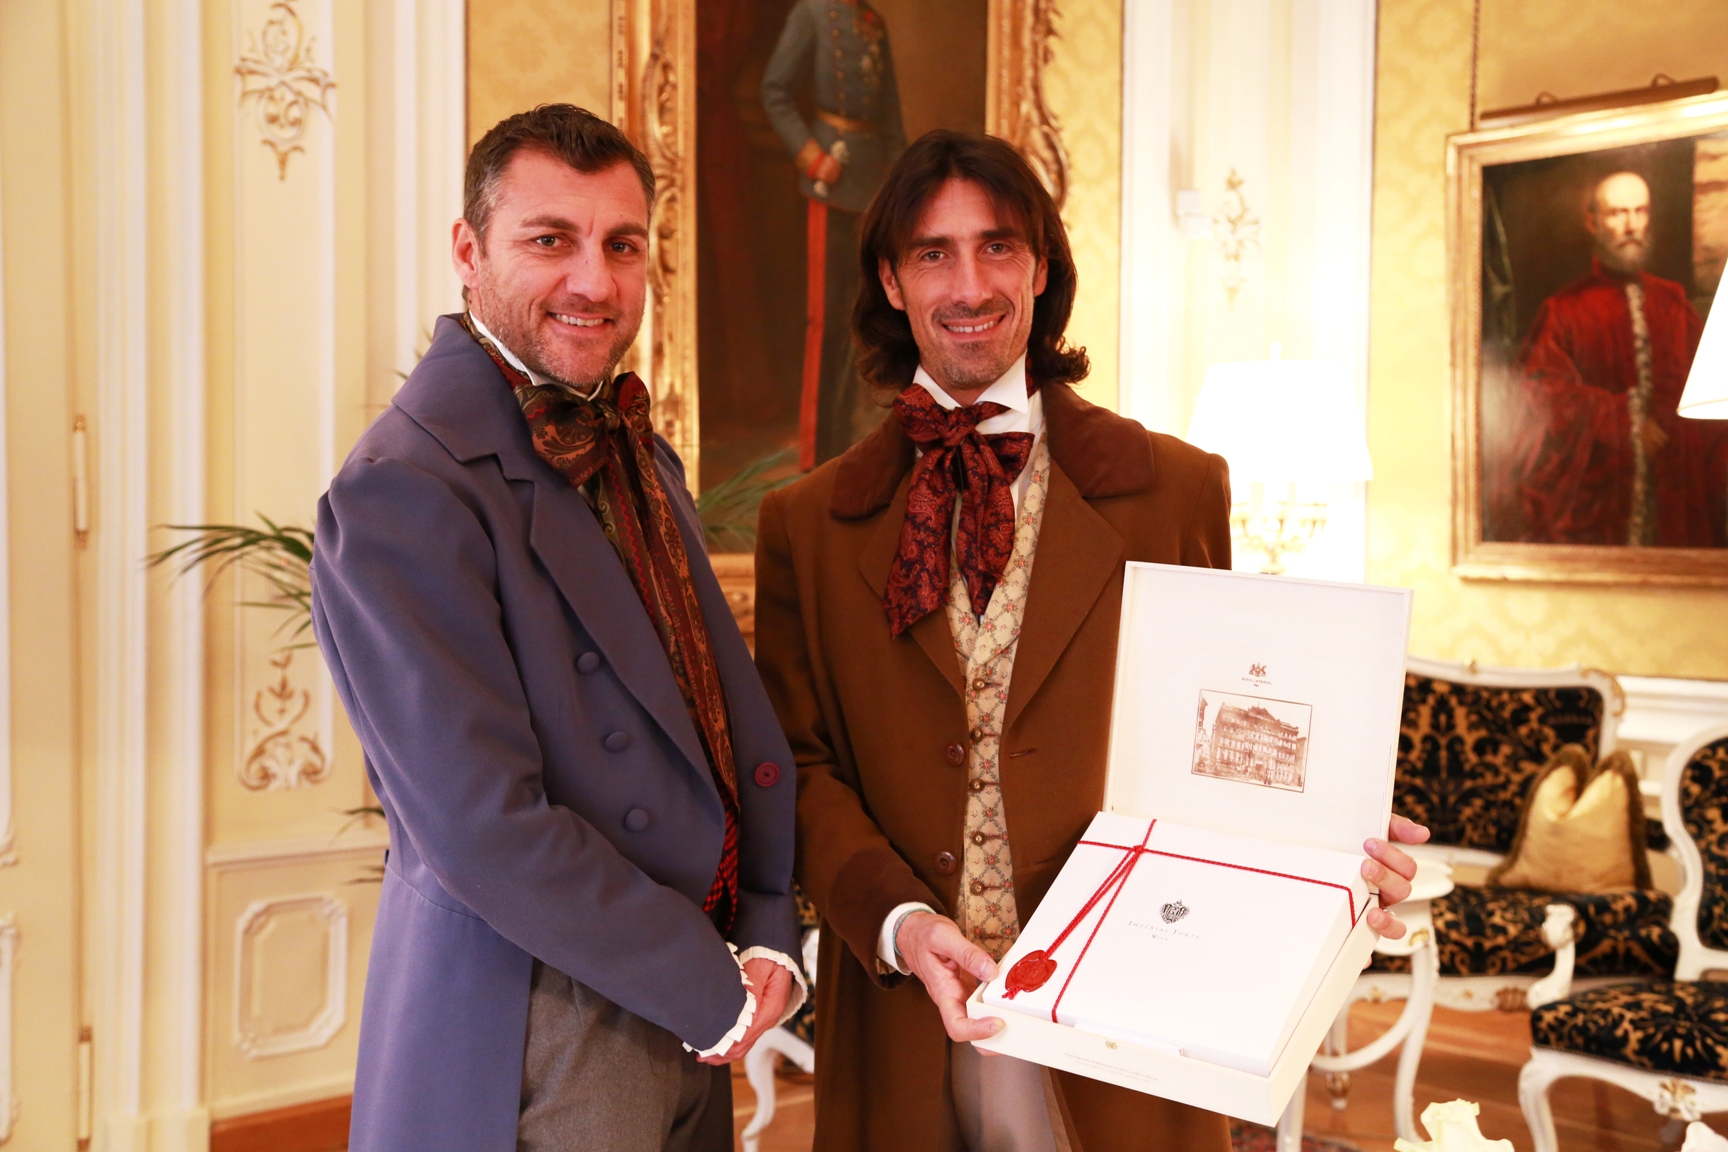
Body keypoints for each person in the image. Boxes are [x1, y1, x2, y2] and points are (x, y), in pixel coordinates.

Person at [752, 130, 1429, 1152]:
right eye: (933, 253)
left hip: (1130, 1011)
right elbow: (797, 767)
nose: (969, 284)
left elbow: (1221, 746)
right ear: (890, 281)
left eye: (998, 246)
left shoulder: (1175, 491)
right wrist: (899, 922)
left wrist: (1334, 852)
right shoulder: (807, 523)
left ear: (1041, 268)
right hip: (902, 1016)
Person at [311, 105, 804, 1152]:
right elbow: (481, 823)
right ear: (468, 250)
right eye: (550, 240)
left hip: (688, 978)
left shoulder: (637, 447)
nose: (594, 281)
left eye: (621, 245)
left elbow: (717, 712)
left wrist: (765, 921)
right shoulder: (400, 488)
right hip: (539, 1010)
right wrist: (699, 976)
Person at [1512, 169, 1728, 545]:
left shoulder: (1674, 304)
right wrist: (1623, 422)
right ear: (1592, 222)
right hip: (1597, 506)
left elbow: (1715, 403)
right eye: (1617, 213)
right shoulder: (1563, 309)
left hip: (1678, 499)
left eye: (1639, 211)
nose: (1630, 225)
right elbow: (1540, 395)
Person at [762, 0, 907, 469]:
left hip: (871, 190)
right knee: (824, 322)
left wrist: (901, 186)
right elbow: (775, 91)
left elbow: (890, 118)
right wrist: (810, 155)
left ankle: (848, 444)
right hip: (831, 183)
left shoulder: (873, 24)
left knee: (863, 323)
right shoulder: (812, 13)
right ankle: (817, 451)